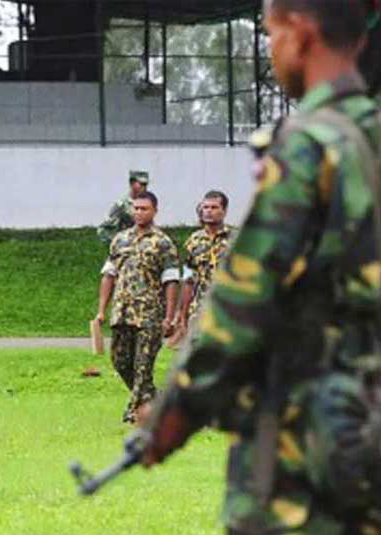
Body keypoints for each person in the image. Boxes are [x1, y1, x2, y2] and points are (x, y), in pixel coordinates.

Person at [140, 1, 381, 533]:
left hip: (314, 443)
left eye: (270, 33)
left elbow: (242, 300)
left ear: (299, 32)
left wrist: (174, 416)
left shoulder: (311, 145)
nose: (271, 49)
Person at [94, 191, 180, 424]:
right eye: (136, 208)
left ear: (155, 211)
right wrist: (102, 309)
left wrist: (169, 317)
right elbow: (108, 275)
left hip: (150, 313)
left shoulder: (163, 243)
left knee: (143, 366)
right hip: (122, 311)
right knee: (120, 361)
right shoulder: (119, 240)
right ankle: (157, 401)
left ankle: (134, 412)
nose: (139, 212)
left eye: (144, 209)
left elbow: (171, 281)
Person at [178, 191, 233, 333]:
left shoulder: (236, 239)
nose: (208, 211)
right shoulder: (193, 241)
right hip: (199, 311)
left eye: (214, 207)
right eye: (206, 207)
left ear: (224, 211)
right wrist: (183, 316)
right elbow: (188, 281)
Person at [97, 170, 149, 244]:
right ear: (131, 184)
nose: (144, 188)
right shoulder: (122, 205)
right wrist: (117, 243)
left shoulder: (147, 204)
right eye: (141, 184)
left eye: (145, 185)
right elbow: (103, 229)